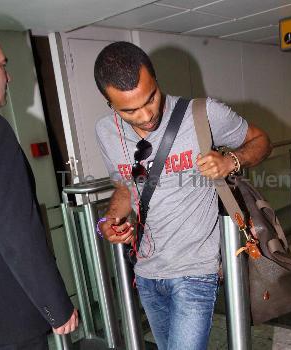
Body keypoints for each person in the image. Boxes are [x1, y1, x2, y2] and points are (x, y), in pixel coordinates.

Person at [94, 41, 271, 349]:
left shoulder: (202, 113)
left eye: (151, 99)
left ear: (156, 80)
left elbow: (262, 140)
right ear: (110, 105)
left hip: (194, 271)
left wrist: (231, 161)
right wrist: (111, 220)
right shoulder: (105, 132)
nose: (147, 115)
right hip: (147, 272)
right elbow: (125, 187)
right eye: (129, 110)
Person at [0, 44, 78, 349]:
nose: (9, 77)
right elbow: (15, 230)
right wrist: (55, 305)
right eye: (3, 66)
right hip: (10, 321)